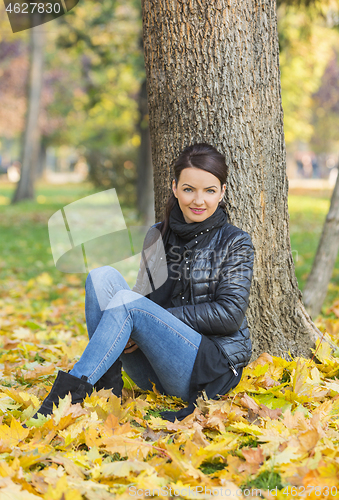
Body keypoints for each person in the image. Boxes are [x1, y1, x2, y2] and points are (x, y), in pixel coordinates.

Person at [31, 143, 254, 422]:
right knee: (100, 276)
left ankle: (68, 395)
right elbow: (144, 298)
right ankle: (106, 388)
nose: (199, 200)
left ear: (222, 192)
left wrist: (152, 319)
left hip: (204, 370)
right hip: (154, 368)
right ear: (174, 188)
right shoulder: (157, 235)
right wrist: (142, 320)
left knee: (128, 304)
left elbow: (230, 316)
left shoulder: (235, 242)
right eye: (189, 189)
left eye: (209, 190)